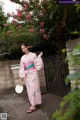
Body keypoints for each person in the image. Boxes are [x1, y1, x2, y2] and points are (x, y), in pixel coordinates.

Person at [19, 42, 44, 113]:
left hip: (33, 74)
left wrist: (39, 57)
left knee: (35, 88)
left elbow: (37, 63)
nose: (23, 49)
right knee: (30, 90)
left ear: (27, 47)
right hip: (27, 75)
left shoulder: (33, 55)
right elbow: (22, 67)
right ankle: (33, 104)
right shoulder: (22, 57)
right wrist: (22, 76)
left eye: (24, 48)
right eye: (22, 49)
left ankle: (35, 104)